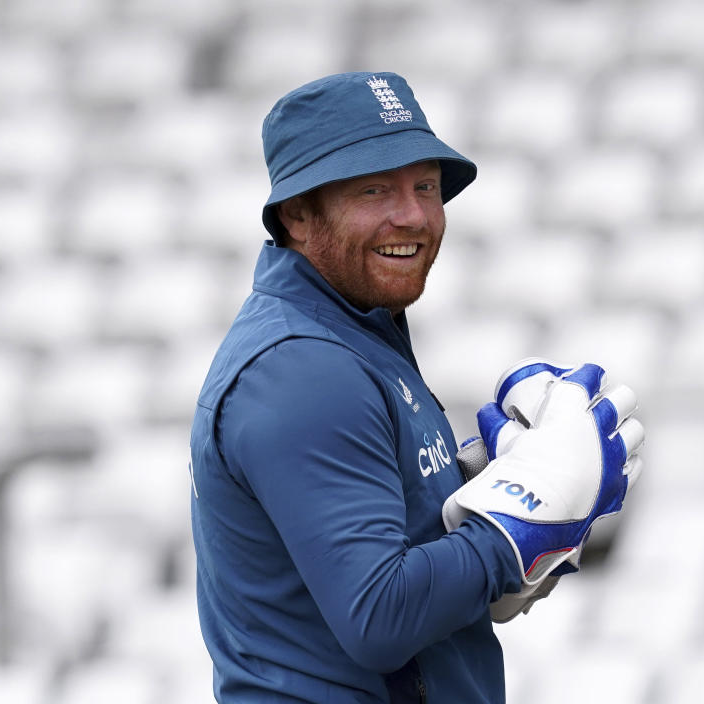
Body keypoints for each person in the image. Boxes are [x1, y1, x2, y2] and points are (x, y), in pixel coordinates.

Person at [189, 71, 644, 703]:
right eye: (374, 189)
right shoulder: (303, 367)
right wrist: (514, 530)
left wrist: (483, 489)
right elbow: (381, 616)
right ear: (296, 212)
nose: (412, 216)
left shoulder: (351, 334)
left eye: (425, 186)